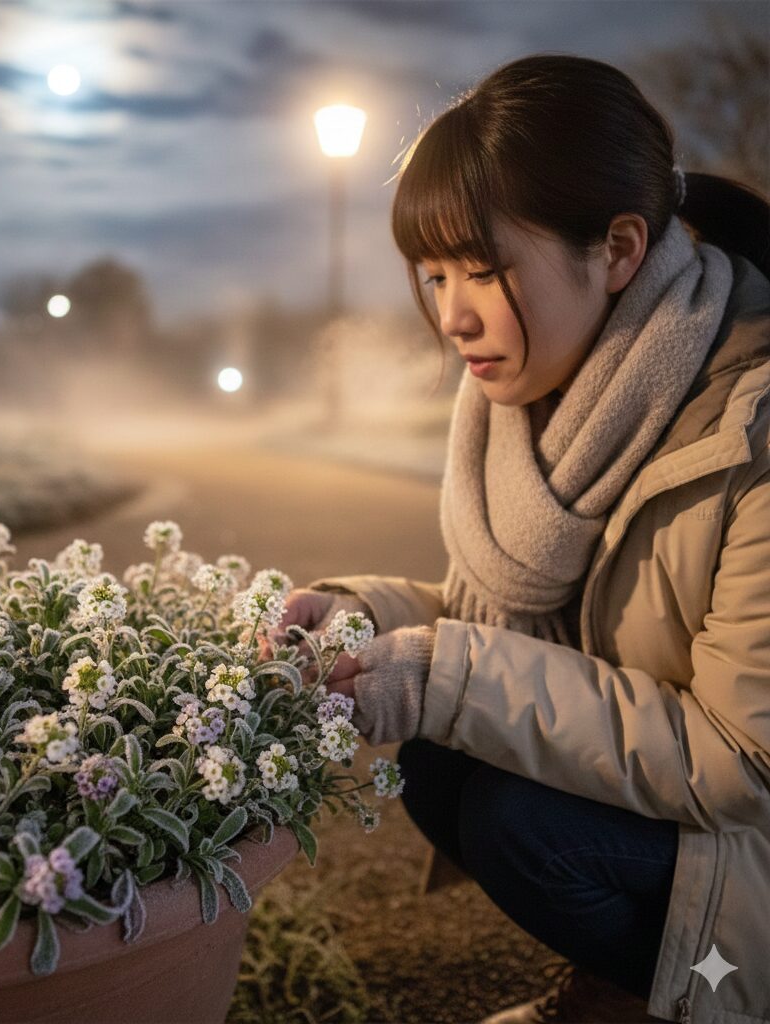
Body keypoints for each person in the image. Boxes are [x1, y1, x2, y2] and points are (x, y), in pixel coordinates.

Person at [270, 55, 770, 1024]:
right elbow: (511, 624)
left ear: (618, 249)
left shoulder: (747, 431)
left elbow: (740, 761)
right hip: (710, 813)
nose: (453, 315)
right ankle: (633, 987)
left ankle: (692, 999)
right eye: (435, 273)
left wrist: (441, 674)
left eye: (486, 269)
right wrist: (365, 614)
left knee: (514, 811)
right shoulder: (544, 404)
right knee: (442, 752)